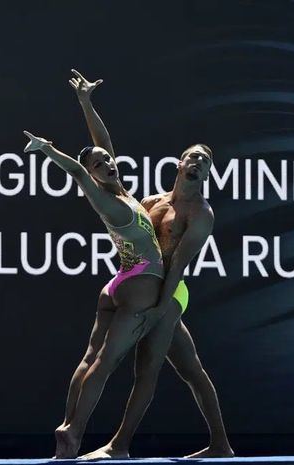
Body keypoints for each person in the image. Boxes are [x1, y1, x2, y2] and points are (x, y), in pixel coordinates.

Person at [65, 70, 233, 459]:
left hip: (171, 291)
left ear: (208, 173)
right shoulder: (154, 200)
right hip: (148, 286)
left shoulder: (201, 214)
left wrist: (161, 308)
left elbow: (178, 267)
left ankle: (119, 445)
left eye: (205, 161)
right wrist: (87, 103)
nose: (199, 162)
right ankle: (221, 445)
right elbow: (104, 148)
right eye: (194, 156)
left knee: (147, 369)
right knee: (191, 367)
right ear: (180, 162)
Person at [23, 92, 164, 457]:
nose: (107, 163)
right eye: (99, 165)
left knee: (90, 358)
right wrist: (49, 150)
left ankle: (68, 423)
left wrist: (85, 103)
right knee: (103, 363)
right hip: (139, 282)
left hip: (120, 280)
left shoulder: (120, 188)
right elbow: (76, 170)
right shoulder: (104, 198)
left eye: (108, 160)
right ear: (94, 175)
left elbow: (103, 143)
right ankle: (73, 431)